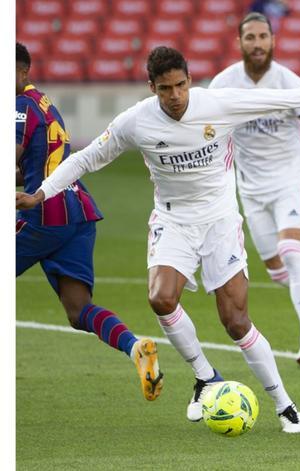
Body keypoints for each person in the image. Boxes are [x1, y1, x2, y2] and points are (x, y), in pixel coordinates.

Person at [16, 46, 300, 432]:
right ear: (151, 87)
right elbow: (85, 158)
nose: (175, 96)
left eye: (180, 85)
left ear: (190, 81)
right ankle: (205, 377)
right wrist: (41, 193)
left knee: (235, 322)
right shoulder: (135, 122)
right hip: (173, 220)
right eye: (165, 89)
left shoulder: (218, 104)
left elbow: (286, 97)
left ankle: (284, 403)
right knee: (160, 298)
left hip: (220, 221)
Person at [15, 42, 163, 403]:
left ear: (21, 72)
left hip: (44, 214)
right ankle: (134, 347)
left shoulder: (18, 108)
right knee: (78, 309)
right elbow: (37, 164)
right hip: (76, 211)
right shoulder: (44, 104)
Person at [209, 13, 300, 365]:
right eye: (250, 37)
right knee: (277, 271)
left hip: (291, 180)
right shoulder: (224, 84)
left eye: (263, 37)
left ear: (273, 40)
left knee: (291, 251)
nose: (257, 44)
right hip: (252, 189)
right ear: (239, 43)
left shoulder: (290, 84)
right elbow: (205, 129)